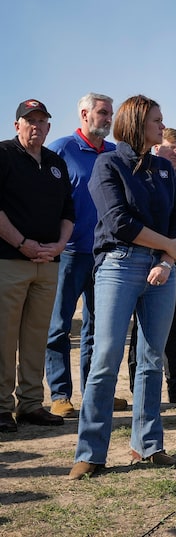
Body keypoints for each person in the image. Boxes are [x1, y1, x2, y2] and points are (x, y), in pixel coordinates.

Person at [70, 95, 176, 479]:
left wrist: (169, 260)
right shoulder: (109, 163)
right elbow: (118, 221)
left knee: (153, 360)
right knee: (105, 359)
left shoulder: (166, 170)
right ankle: (90, 453)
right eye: (157, 118)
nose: (162, 123)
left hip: (162, 272)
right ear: (137, 123)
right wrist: (166, 247)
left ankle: (147, 445)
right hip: (118, 265)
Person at [44, 93, 125, 418]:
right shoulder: (61, 150)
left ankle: (95, 391)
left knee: (97, 327)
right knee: (60, 326)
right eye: (103, 113)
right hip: (69, 254)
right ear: (84, 114)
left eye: (110, 114)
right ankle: (60, 395)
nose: (108, 119)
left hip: (106, 255)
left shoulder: (114, 153)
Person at [0, 99, 74, 433]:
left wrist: (59, 245)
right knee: (3, 338)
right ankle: (1, 407)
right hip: (10, 261)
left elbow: (68, 212)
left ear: (48, 126)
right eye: (29, 121)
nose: (36, 126)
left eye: (42, 121)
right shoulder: (3, 155)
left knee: (35, 338)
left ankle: (30, 404)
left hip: (48, 263)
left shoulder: (56, 162)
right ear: (17, 125)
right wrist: (21, 243)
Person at [125, 128, 176, 404]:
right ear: (157, 147)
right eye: (172, 146)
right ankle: (140, 389)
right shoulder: (149, 178)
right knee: (144, 330)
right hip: (154, 265)